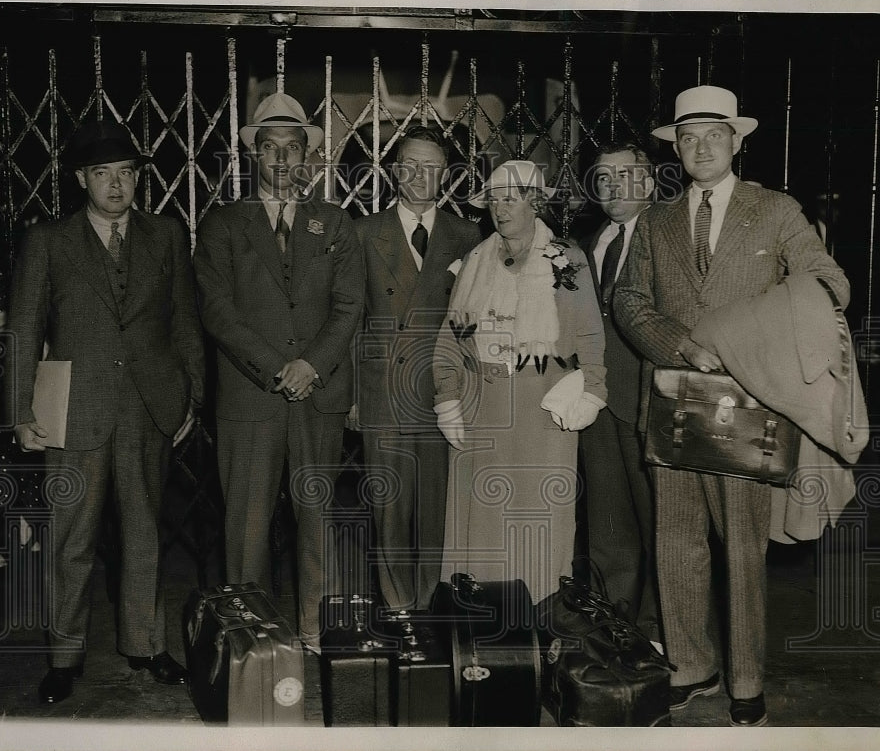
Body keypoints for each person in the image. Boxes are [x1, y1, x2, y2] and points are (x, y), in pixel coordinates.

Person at [613, 85, 849, 727]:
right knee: (678, 542)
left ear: (737, 141)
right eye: (687, 138)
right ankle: (692, 666)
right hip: (673, 395)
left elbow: (830, 283)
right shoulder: (656, 220)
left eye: (713, 134)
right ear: (676, 149)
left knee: (743, 547)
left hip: (749, 402)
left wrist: (745, 339)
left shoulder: (775, 211)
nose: (700, 146)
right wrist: (682, 345)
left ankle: (747, 680)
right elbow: (628, 301)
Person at [7, 120, 205, 704]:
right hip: (73, 409)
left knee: (146, 534)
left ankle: (145, 645)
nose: (116, 186)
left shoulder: (167, 235)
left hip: (149, 407)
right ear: (80, 179)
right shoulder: (49, 240)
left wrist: (189, 395)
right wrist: (21, 410)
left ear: (138, 178)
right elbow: (24, 328)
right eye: (102, 174)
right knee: (72, 539)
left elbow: (184, 321)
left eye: (126, 173)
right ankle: (64, 657)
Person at [193, 92, 364, 651]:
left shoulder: (334, 222)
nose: (284, 160)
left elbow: (349, 306)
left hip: (319, 394)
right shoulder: (223, 224)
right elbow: (218, 311)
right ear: (254, 158)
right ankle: (251, 636)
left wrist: (311, 365)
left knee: (316, 517)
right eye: (271, 149)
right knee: (246, 525)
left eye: (294, 149)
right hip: (251, 397)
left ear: (308, 159)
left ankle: (316, 629)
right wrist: (276, 368)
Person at [433, 159, 606, 605]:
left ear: (535, 203)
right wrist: (447, 397)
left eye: (511, 199)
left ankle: (538, 619)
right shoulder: (474, 260)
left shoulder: (567, 259)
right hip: (484, 403)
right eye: (493, 199)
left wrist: (593, 390)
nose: (500, 209)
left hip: (543, 403)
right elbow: (451, 337)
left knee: (539, 514)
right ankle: (482, 619)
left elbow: (589, 333)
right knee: (484, 516)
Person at [351, 125, 482, 610]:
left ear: (445, 173)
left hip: (441, 393)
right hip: (382, 390)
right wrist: (350, 395)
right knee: (388, 510)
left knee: (436, 509)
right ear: (393, 170)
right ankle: (396, 607)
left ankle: (430, 605)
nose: (419, 175)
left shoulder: (467, 235)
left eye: (431, 166)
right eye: (409, 164)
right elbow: (348, 316)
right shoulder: (363, 231)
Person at [576, 142, 660, 644]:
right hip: (598, 400)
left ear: (649, 184)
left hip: (650, 398)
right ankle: (613, 626)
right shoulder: (586, 245)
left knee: (659, 525)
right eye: (603, 177)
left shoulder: (666, 236)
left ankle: (656, 630)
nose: (612, 185)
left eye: (624, 175)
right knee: (606, 524)